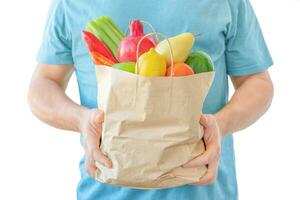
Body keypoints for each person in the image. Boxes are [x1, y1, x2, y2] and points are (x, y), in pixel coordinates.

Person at [28, 0, 274, 199]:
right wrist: (81, 119)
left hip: (206, 191)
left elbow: (257, 82)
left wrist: (220, 125)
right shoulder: (70, 3)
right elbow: (43, 84)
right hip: (104, 192)